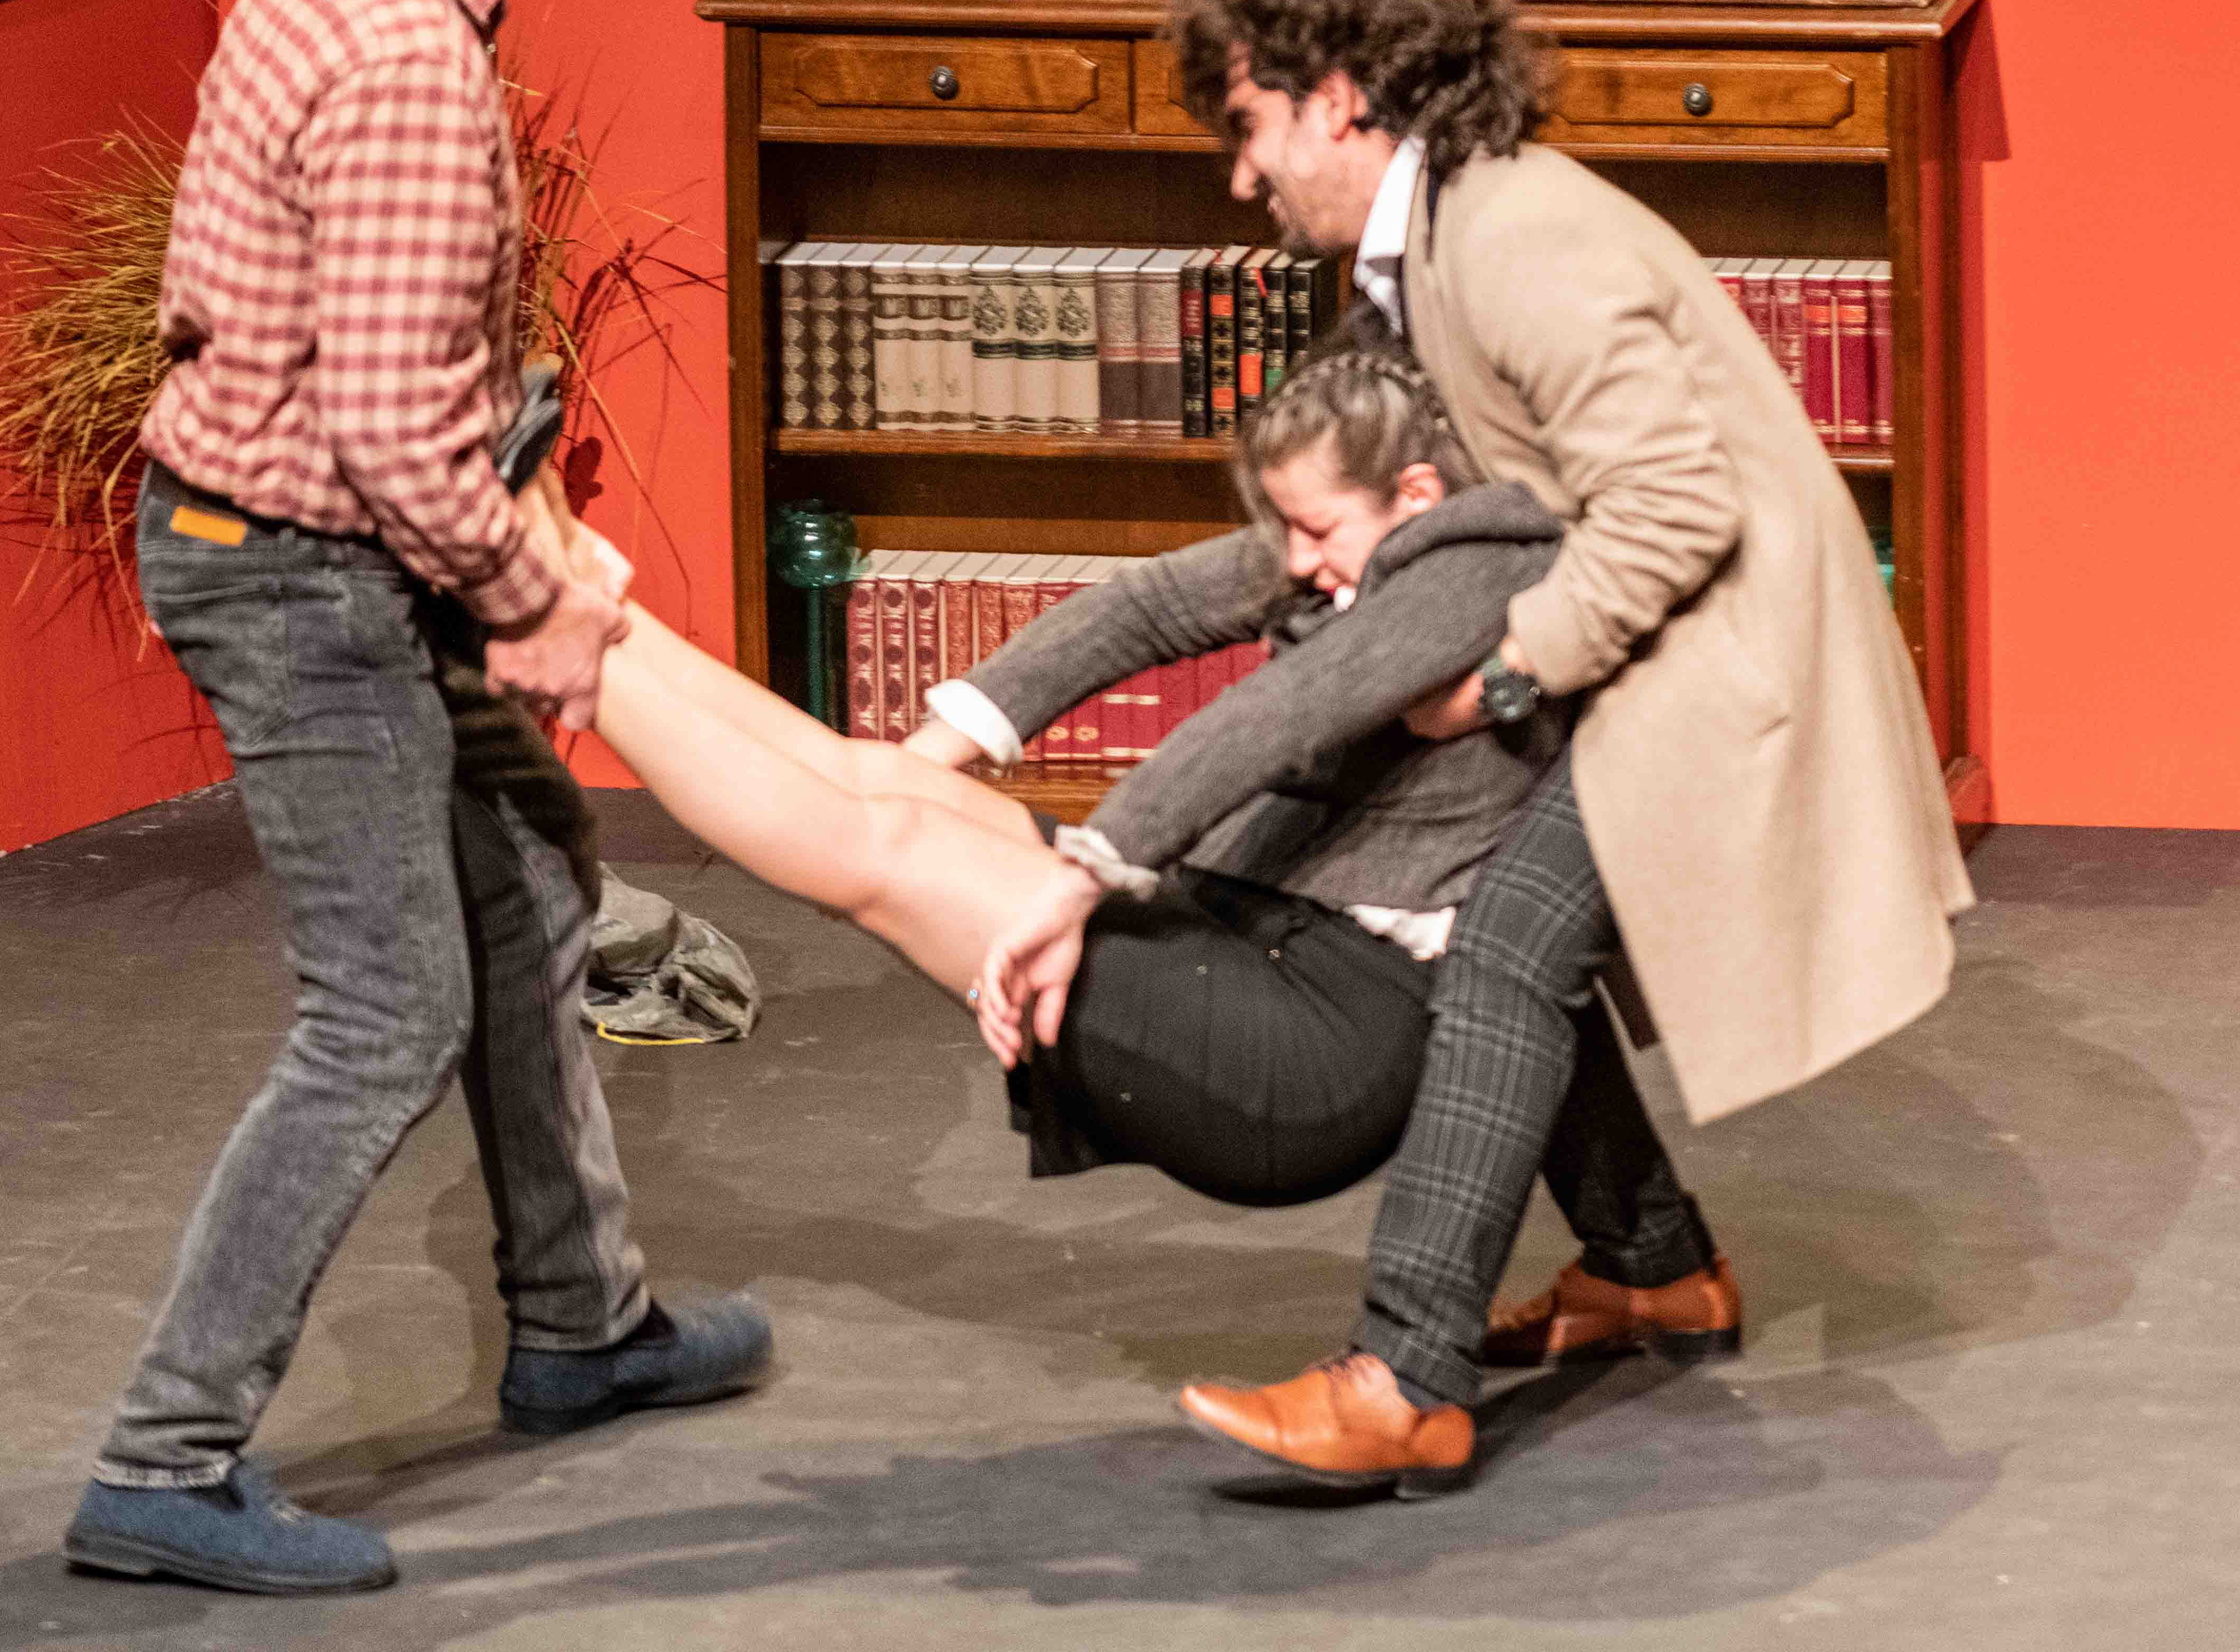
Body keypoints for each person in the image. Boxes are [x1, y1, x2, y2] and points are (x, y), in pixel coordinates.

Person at [989, 0, 1972, 1492]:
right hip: (1636, 637)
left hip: (1704, 653)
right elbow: (1361, 536)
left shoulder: (1511, 238)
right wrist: (999, 698)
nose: (1242, 177)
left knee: (1504, 939)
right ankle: (1650, 1264)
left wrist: (1507, 674)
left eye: (1246, 128)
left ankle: (1403, 1373)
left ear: (1334, 99)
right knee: (1527, 945)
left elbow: (1671, 506)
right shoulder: (1439, 243)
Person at [62, 0, 770, 1600]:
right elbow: (387, 428)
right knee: (383, 1013)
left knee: (531, 886)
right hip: (304, 571)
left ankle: (578, 1322)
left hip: (331, 543)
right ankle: (161, 1456)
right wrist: (531, 594)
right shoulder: (397, 64)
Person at [573, 355, 1571, 1350]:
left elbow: (1274, 717)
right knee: (880, 793)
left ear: (1416, 492)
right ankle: (565, 576)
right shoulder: (1366, 536)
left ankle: (544, 623)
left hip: (1316, 1038)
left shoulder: (1472, 566)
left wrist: (1080, 877)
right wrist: (922, 757)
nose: (1297, 558)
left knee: (879, 845)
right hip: (1247, 925)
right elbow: (1146, 607)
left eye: (1315, 531)